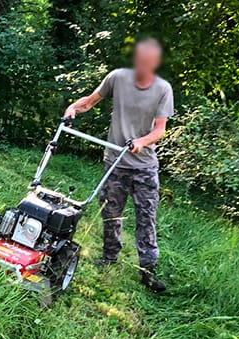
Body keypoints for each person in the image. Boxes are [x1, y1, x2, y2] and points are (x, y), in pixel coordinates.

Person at [63, 38, 173, 293]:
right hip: (115, 162)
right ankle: (109, 256)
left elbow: (160, 130)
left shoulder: (163, 89)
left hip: (144, 166)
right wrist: (72, 109)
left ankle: (148, 271)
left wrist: (141, 142)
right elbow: (90, 101)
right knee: (110, 214)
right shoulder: (117, 78)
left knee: (146, 218)